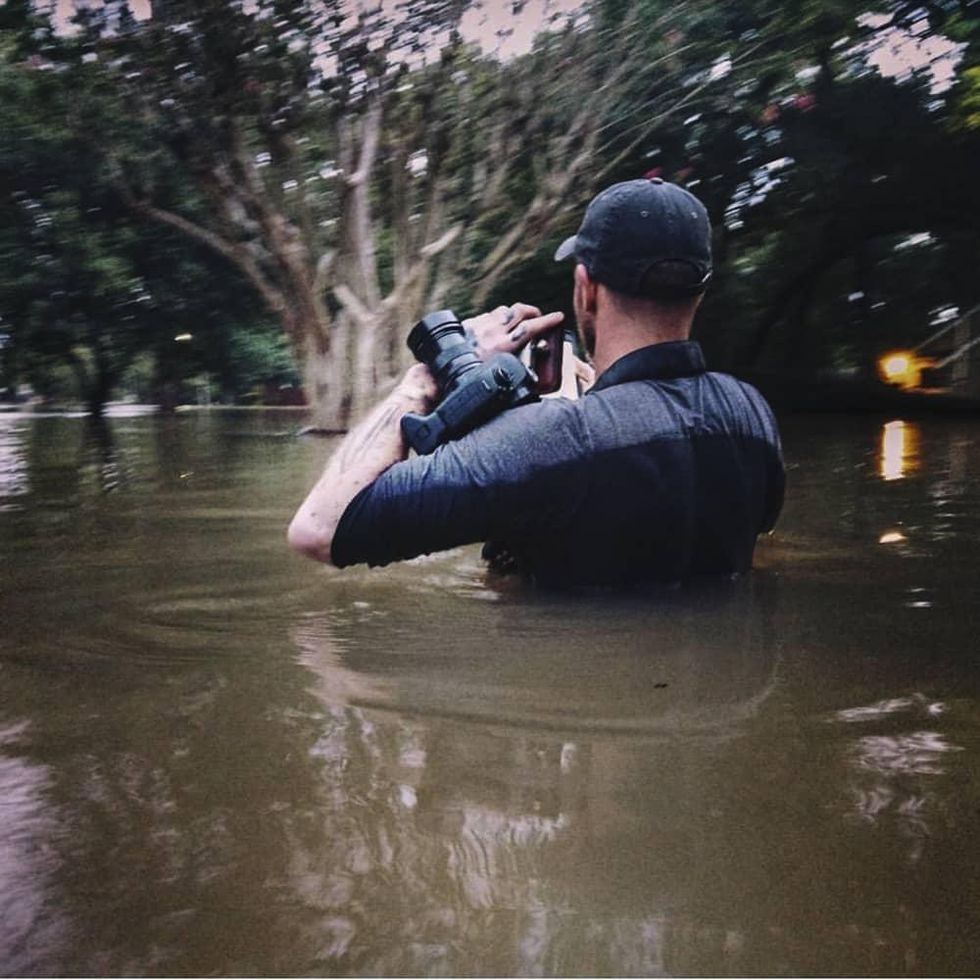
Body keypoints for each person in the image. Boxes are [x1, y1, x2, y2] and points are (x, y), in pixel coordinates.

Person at [288, 178, 784, 589]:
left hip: (581, 691)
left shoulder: (555, 440)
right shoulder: (753, 416)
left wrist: (419, 384)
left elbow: (318, 530)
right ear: (700, 291)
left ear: (585, 289)